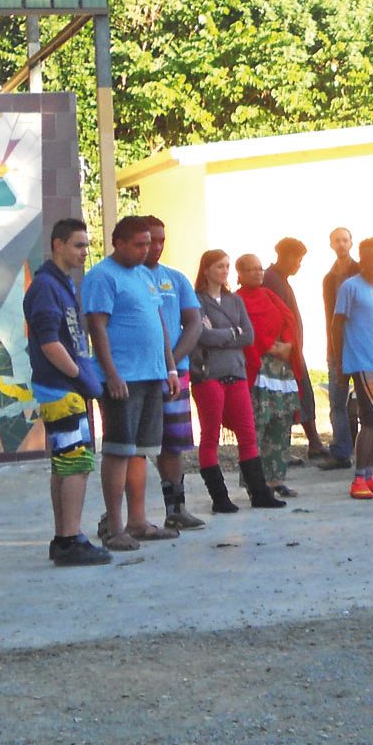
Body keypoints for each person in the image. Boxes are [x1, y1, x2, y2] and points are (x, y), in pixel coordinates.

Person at [22, 217, 111, 567]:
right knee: (76, 463)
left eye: (87, 246)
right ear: (57, 245)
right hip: (61, 388)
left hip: (65, 387)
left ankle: (64, 537)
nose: (84, 252)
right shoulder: (46, 285)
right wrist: (80, 377)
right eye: (78, 245)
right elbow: (48, 341)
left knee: (67, 463)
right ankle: (70, 538)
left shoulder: (61, 283)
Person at [84, 216, 176, 548]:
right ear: (118, 243)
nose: (146, 249)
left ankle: (138, 522)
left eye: (149, 243)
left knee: (142, 451)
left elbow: (159, 321)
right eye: (139, 244)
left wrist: (171, 368)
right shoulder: (102, 276)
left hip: (151, 374)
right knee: (119, 450)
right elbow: (97, 327)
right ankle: (115, 526)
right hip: (123, 377)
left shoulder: (144, 275)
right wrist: (110, 374)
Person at [191, 250, 283, 512]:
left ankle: (259, 492)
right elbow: (201, 335)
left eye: (227, 266)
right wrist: (232, 333)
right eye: (219, 266)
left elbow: (248, 336)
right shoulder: (197, 301)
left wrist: (220, 333)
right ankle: (219, 496)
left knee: (247, 432)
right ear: (206, 269)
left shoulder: (234, 301)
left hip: (236, 371)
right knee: (210, 435)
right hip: (209, 373)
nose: (224, 271)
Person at [142, 217, 205, 532]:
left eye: (161, 240)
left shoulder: (176, 279)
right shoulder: (127, 277)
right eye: (150, 240)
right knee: (137, 446)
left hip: (175, 375)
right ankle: (127, 517)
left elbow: (193, 323)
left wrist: (173, 361)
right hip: (139, 375)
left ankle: (175, 508)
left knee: (174, 444)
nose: (156, 246)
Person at [323, 226, 373, 466]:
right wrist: (338, 360)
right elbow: (335, 323)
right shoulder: (344, 284)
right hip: (356, 359)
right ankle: (353, 467)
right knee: (364, 417)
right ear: (365, 262)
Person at [237, 254, 301, 497]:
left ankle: (276, 479)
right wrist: (268, 346)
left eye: (259, 268)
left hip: (280, 369)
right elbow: (245, 330)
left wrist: (287, 344)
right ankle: (256, 483)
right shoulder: (237, 300)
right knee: (256, 425)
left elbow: (288, 319)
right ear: (240, 273)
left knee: (281, 423)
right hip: (256, 369)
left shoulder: (269, 295)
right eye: (251, 269)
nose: (257, 273)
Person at [266, 237, 328, 461]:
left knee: (302, 395)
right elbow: (276, 317)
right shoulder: (271, 279)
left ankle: (314, 443)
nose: (298, 265)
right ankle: (284, 450)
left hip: (292, 349)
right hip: (283, 350)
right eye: (298, 259)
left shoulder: (280, 279)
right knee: (285, 399)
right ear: (287, 256)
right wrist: (284, 346)